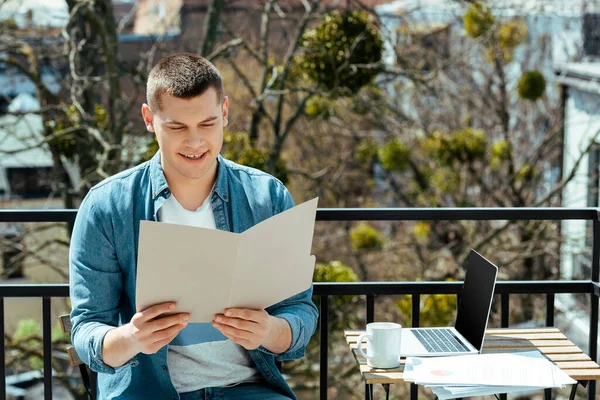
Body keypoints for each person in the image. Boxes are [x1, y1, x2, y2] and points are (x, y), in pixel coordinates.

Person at [69, 52, 319, 400]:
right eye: (177, 127)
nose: (195, 142)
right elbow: (85, 331)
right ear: (148, 119)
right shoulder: (106, 206)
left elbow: (300, 312)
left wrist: (269, 331)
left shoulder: (266, 196)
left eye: (207, 124)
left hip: (247, 389)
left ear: (225, 113)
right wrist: (131, 338)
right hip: (146, 392)